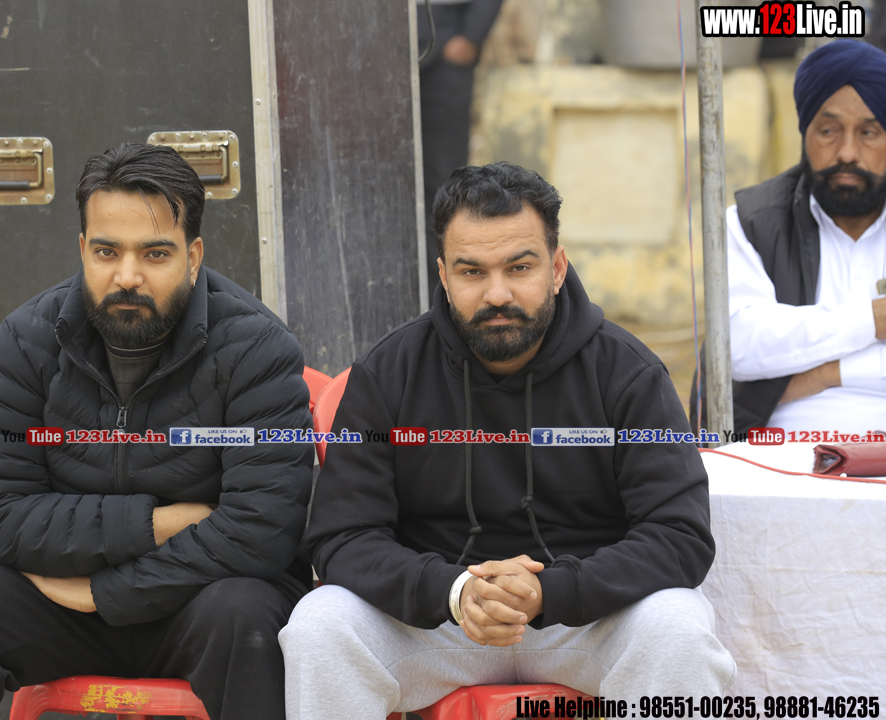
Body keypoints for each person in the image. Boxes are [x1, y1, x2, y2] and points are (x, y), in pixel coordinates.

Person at [279, 163, 735, 717]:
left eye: (520, 267)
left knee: (677, 628)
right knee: (321, 625)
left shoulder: (628, 373)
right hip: (437, 620)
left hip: (587, 618)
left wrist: (551, 592)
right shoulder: (389, 371)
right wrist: (454, 592)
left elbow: (679, 536)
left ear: (557, 267)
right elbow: (341, 536)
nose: (497, 294)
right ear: (444, 276)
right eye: (472, 272)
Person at [0, 143, 314, 720]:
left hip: (197, 605)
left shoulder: (256, 347)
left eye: (155, 253)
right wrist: (159, 522)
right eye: (106, 252)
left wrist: (104, 592)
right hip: (62, 609)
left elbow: (261, 531)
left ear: (193, 256)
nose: (127, 276)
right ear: (82, 250)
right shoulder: (25, 341)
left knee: (246, 610)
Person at [692, 39, 886, 434]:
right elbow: (738, 347)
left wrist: (822, 373)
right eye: (829, 131)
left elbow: (761, 355)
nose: (847, 153)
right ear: (804, 133)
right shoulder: (752, 222)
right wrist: (872, 320)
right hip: (776, 452)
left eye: (868, 132)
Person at [418, 0, 504, 297]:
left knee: (443, 179)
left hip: (445, 48)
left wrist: (470, 36)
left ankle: (444, 292)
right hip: (378, 52)